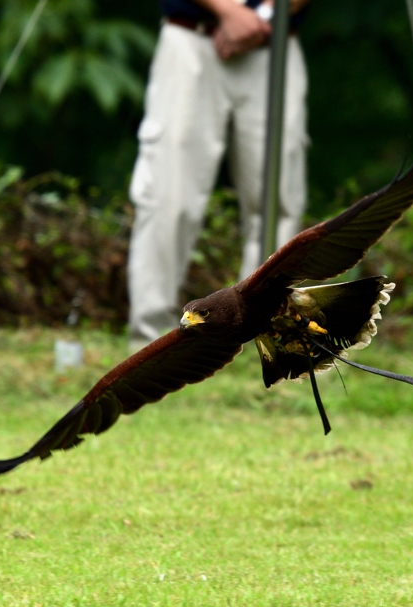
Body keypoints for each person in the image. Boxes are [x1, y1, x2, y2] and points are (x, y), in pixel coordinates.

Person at [127, 0, 311, 348]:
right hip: (189, 39)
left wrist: (264, 15)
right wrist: (228, 10)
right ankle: (150, 345)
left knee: (279, 200)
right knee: (169, 195)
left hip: (276, 43)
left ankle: (267, 338)